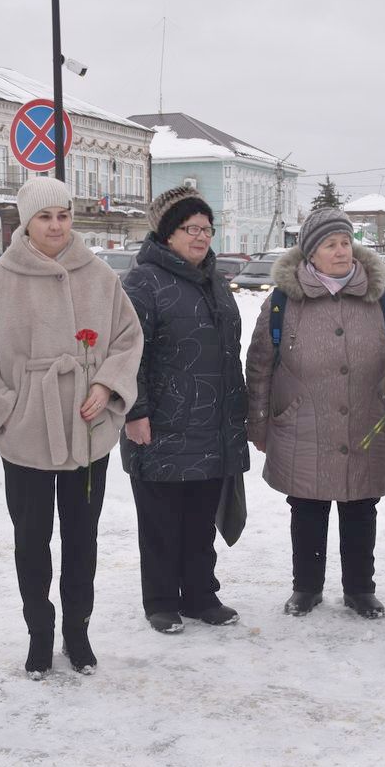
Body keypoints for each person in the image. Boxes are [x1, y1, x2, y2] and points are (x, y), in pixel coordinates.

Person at [0, 177, 143, 678]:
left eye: (62, 215)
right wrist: (7, 411)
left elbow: (128, 339)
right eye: (45, 217)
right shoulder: (1, 278)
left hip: (87, 432)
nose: (56, 225)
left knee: (82, 538)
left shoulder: (99, 275)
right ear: (26, 221)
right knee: (32, 540)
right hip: (27, 433)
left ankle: (78, 633)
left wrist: (106, 388)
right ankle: (39, 634)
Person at [244, 206, 385, 619]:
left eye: (346, 242)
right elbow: (260, 364)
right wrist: (259, 423)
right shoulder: (283, 301)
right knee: (308, 507)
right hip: (303, 420)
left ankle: (360, 589)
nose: (341, 251)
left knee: (361, 506)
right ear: (310, 253)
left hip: (367, 417)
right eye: (330, 244)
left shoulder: (378, 298)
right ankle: (307, 588)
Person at [120, 186, 249, 634]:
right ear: (167, 233)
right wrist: (135, 412)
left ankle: (199, 595)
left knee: (199, 518)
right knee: (160, 520)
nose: (201, 237)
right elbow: (126, 353)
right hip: (160, 422)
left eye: (207, 229)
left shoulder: (213, 280)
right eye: (191, 229)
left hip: (211, 420)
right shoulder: (142, 281)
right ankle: (160, 600)